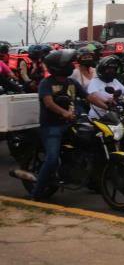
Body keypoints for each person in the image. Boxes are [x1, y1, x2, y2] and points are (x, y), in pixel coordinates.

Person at [30, 49, 110, 200]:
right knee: (52, 158)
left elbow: (89, 97)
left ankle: (92, 180)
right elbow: (48, 103)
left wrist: (107, 105)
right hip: (51, 126)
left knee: (92, 145)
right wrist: (63, 113)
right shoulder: (46, 83)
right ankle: (36, 192)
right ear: (57, 67)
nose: (71, 66)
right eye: (68, 64)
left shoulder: (71, 82)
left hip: (72, 123)